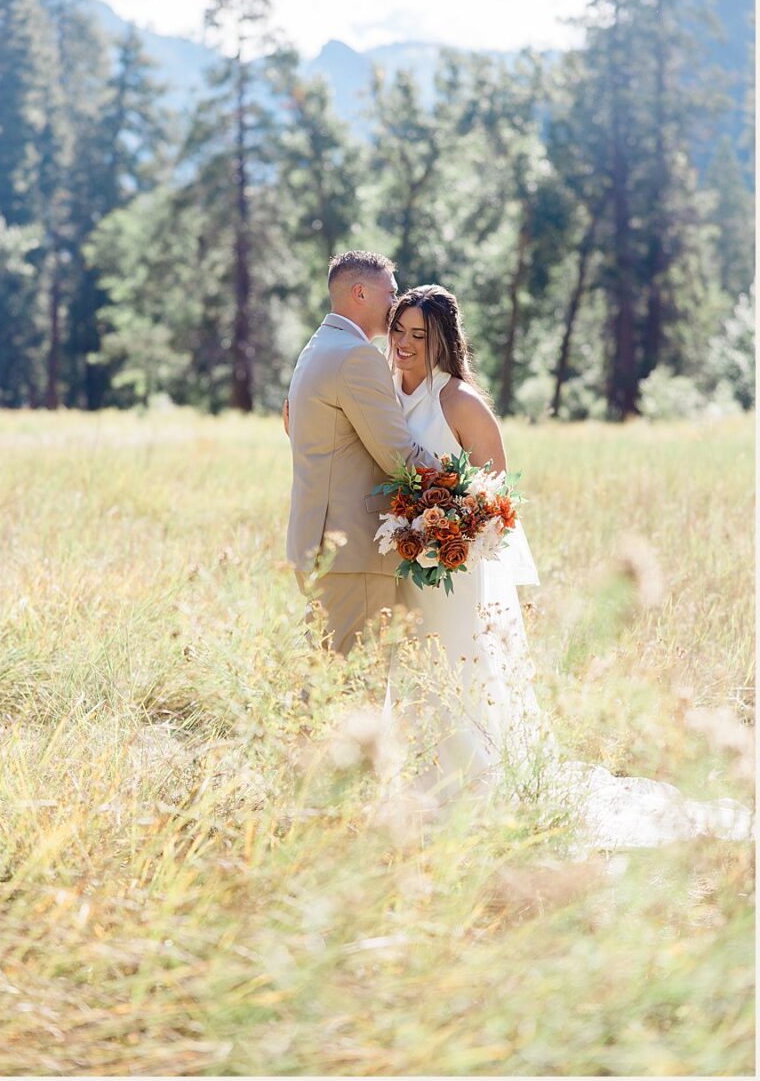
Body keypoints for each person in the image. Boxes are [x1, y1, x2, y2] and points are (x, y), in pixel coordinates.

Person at [381, 285, 750, 850]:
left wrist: (448, 530)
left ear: (442, 343)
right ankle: (411, 791)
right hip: (405, 569)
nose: (405, 344)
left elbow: (497, 496)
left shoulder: (459, 401)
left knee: (461, 671)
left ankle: (476, 794)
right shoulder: (383, 391)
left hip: (453, 573)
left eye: (419, 335)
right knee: (411, 671)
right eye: (399, 330)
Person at [284, 250, 435, 655]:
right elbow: (398, 455)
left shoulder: (316, 348)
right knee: (356, 682)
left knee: (327, 675)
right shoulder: (357, 356)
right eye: (391, 292)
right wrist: (464, 486)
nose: (396, 303)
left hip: (318, 542)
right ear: (360, 293)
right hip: (353, 549)